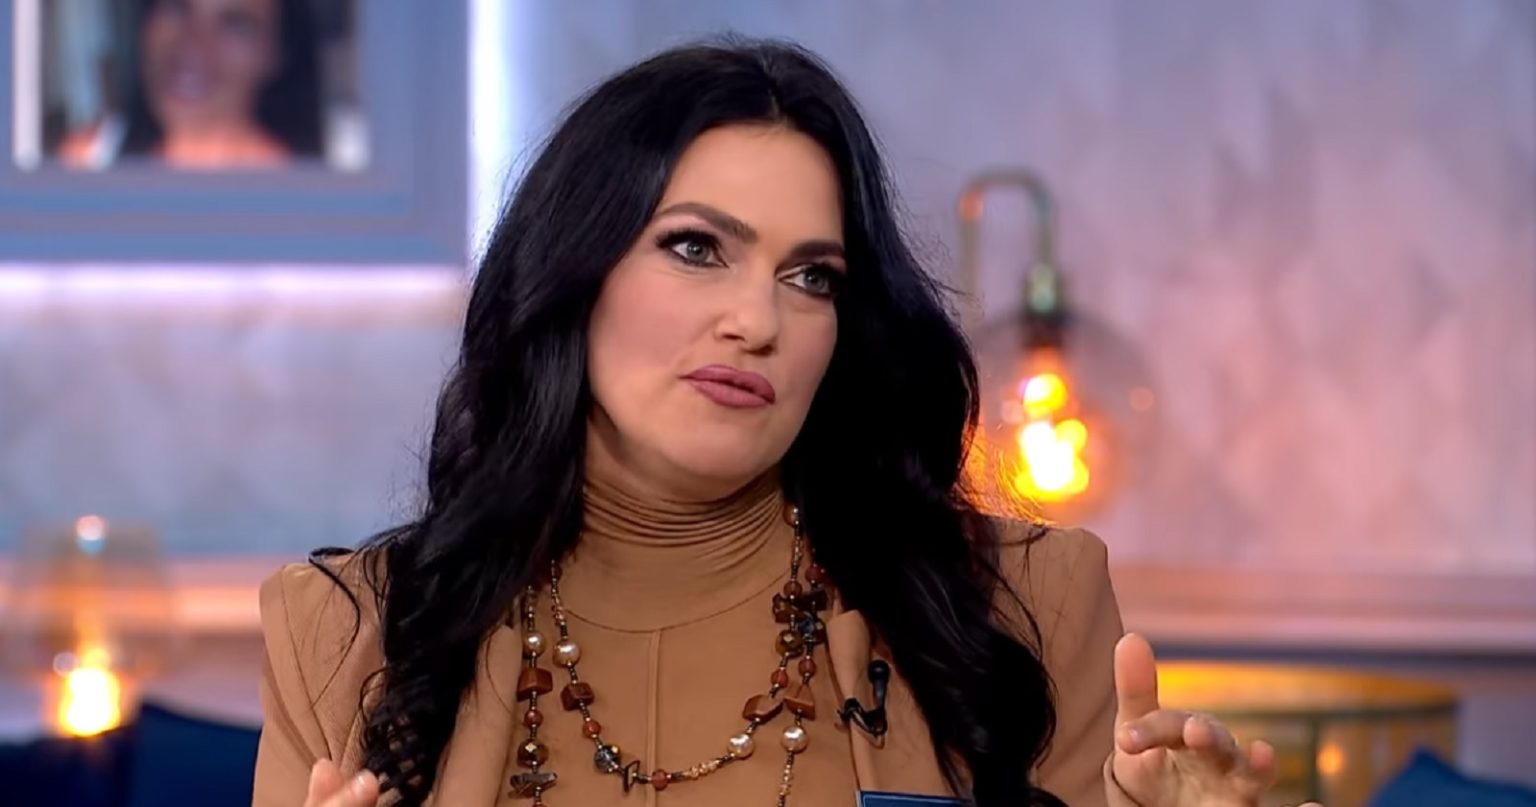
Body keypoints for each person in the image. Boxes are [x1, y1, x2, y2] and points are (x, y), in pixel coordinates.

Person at [253, 40, 1321, 807]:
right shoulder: (346, 638)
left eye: (812, 277)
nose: (758, 321)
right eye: (696, 248)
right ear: (574, 272)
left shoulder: (1022, 606)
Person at [57, 0, 322, 169]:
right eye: (177, 6)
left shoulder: (304, 193)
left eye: (234, 23)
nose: (193, 43)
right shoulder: (87, 162)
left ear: (275, 53)